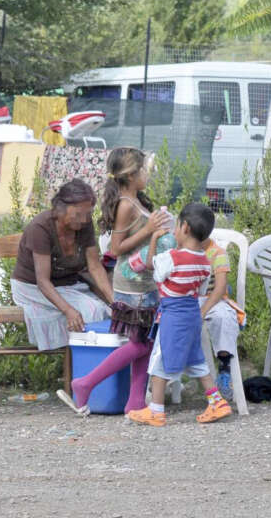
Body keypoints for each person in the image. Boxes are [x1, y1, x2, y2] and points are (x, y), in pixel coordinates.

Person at [56, 148, 169, 415]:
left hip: (144, 281)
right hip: (132, 286)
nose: (147, 175)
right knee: (140, 344)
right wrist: (149, 229)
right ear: (130, 175)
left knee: (146, 343)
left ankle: (135, 403)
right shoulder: (125, 205)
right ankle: (86, 382)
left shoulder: (136, 201)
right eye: (143, 170)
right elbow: (116, 248)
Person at [127, 203, 232, 426]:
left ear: (184, 227)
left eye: (176, 226)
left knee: (159, 360)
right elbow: (201, 290)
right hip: (193, 314)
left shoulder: (171, 257)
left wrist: (154, 240)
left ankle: (156, 411)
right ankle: (217, 402)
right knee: (197, 360)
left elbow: (152, 267)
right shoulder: (205, 262)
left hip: (173, 316)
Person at [11, 179, 113, 353]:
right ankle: (85, 365)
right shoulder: (40, 227)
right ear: (61, 208)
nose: (84, 219)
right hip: (32, 287)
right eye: (78, 214)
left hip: (68, 285)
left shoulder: (85, 224)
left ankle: (91, 365)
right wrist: (68, 310)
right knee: (92, 311)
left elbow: (95, 267)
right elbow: (43, 281)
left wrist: (114, 302)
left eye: (88, 214)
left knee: (106, 310)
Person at [199, 235, 245, 400]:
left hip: (214, 299)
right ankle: (165, 372)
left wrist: (203, 311)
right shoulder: (181, 249)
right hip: (187, 300)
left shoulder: (217, 253)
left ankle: (225, 368)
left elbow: (220, 288)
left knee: (225, 319)